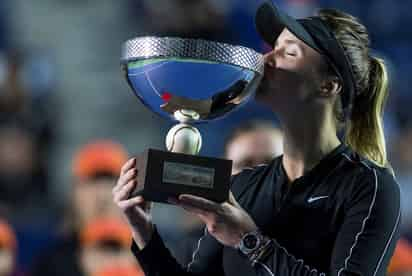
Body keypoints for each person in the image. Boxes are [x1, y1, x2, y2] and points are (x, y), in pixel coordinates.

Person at [113, 2, 401, 275]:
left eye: (288, 52)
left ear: (327, 85)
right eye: (272, 48)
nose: (266, 58)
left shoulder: (369, 187)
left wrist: (248, 240)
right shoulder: (243, 185)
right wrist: (143, 230)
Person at [31, 140, 128, 276]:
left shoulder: (150, 256)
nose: (102, 196)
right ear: (74, 192)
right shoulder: (51, 262)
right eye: (92, 183)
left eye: (113, 183)